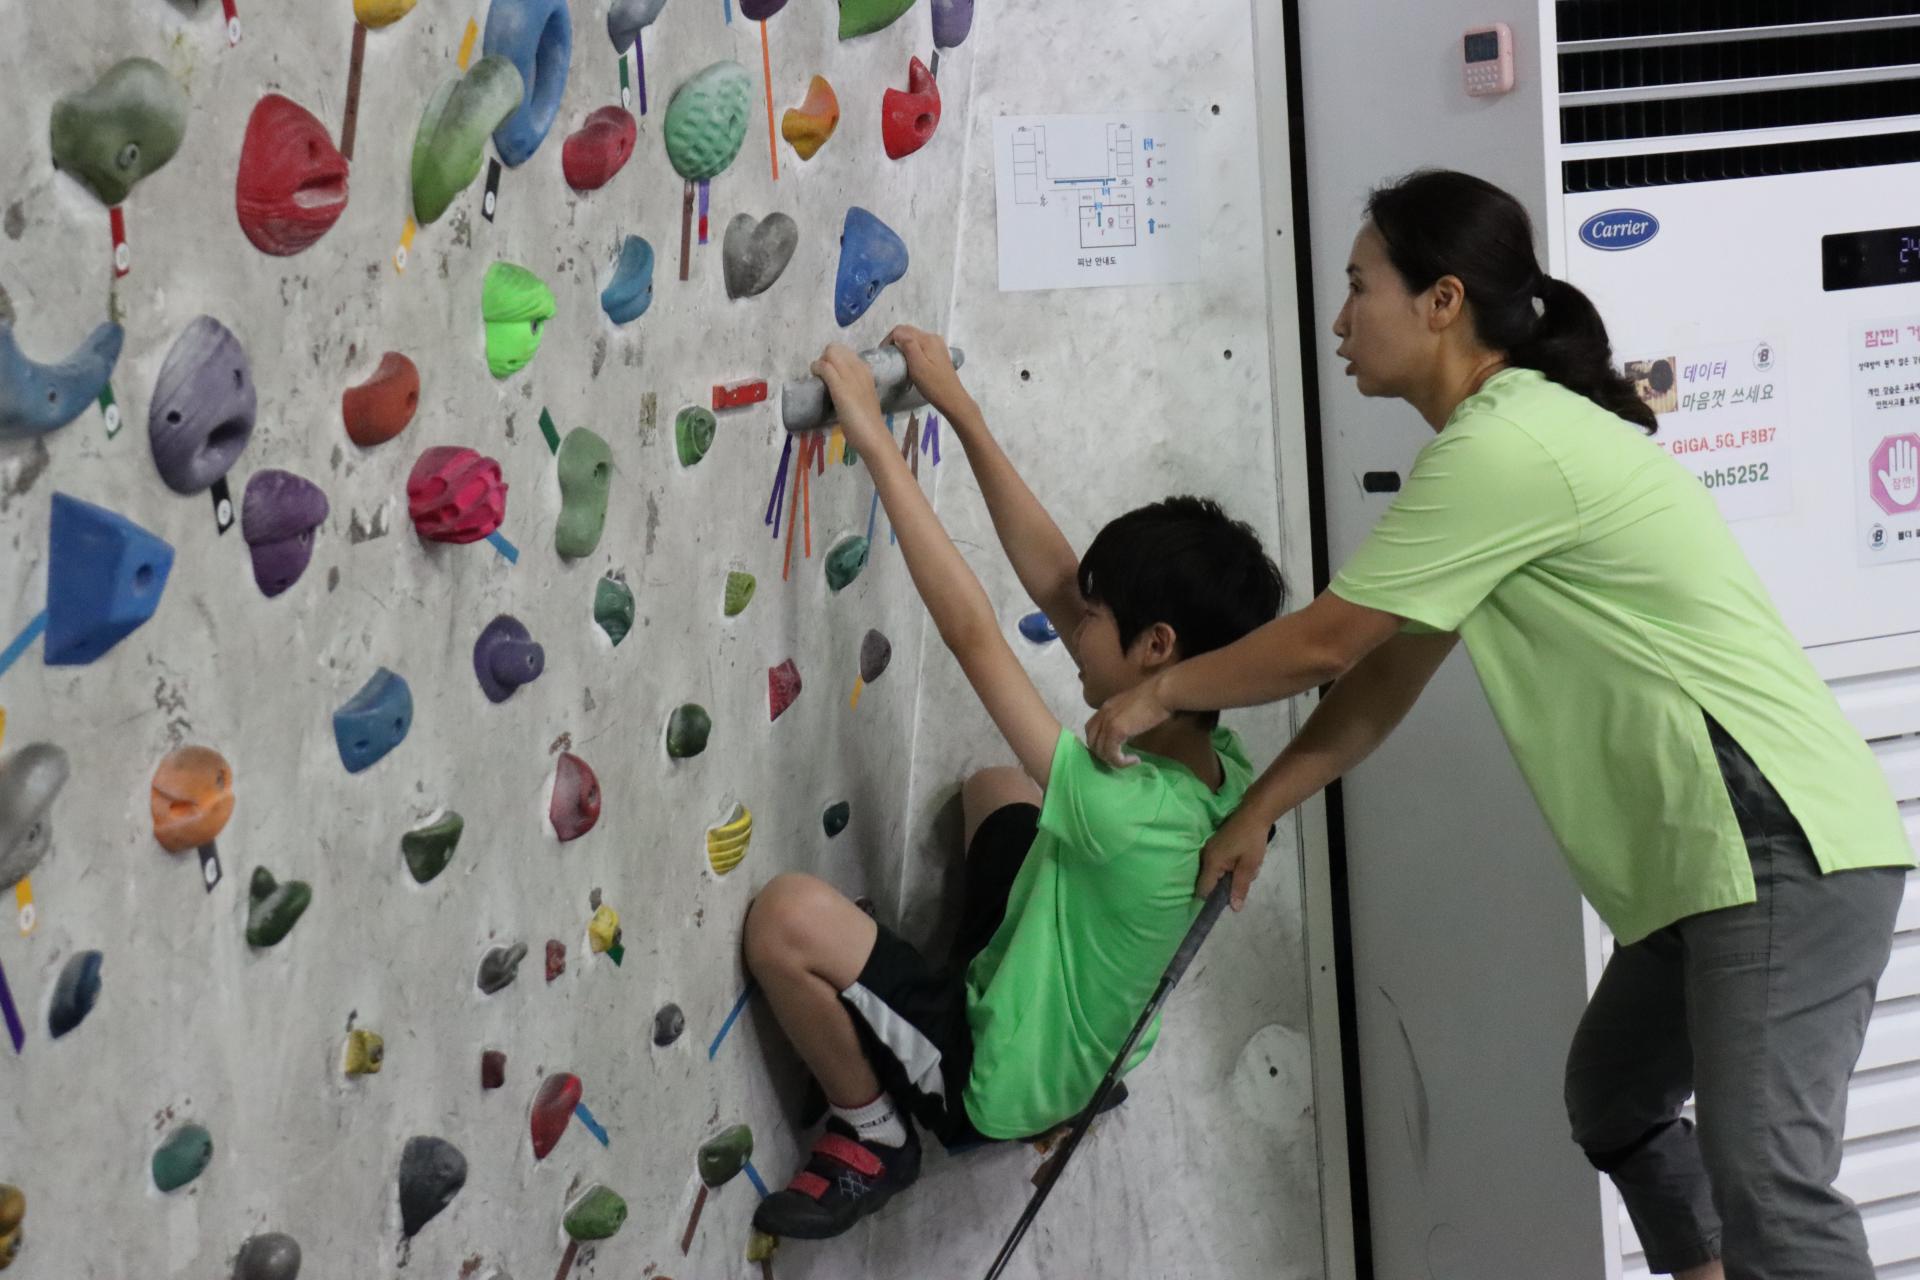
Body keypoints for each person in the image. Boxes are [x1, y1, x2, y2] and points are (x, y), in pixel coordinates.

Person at [1085, 169, 1915, 1280]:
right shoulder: (1497, 449)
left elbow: (1327, 643)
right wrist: (1258, 807)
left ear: (1442, 300)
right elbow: (1379, 678)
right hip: (1703, 864)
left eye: (1359, 286)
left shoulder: (1507, 443)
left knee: (1770, 1184)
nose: (1341, 320)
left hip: (1771, 839)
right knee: (1615, 1095)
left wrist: (1160, 692)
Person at [744, 328, 1286, 1240]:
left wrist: (874, 438)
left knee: (783, 919)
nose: (1076, 625)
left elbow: (973, 633)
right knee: (997, 790)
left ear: (1157, 647)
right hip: (1068, 1010)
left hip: (991, 1079)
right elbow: (1058, 580)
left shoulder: (1128, 811)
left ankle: (873, 1133)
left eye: (1096, 618)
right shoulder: (1216, 757)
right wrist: (957, 406)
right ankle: (1040, 1051)